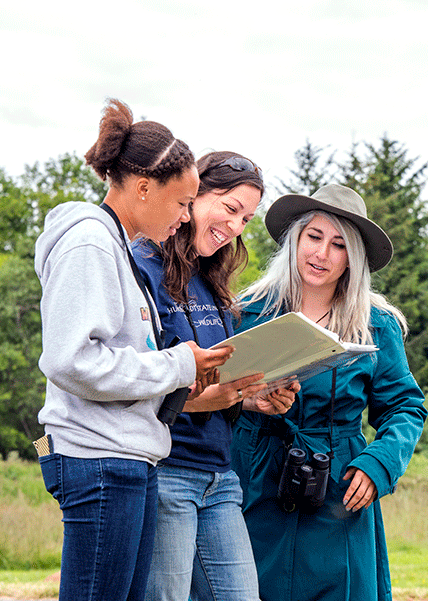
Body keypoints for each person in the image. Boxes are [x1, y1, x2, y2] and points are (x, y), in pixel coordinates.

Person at [33, 99, 232, 601]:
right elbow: (71, 360)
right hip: (99, 459)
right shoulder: (90, 244)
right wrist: (180, 362)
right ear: (144, 187)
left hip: (130, 458)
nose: (187, 215)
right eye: (184, 202)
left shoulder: (117, 248)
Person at [231, 184, 428, 601]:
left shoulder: (377, 324)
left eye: (338, 245)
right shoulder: (245, 311)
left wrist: (379, 464)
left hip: (338, 483)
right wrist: (250, 403)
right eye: (314, 237)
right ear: (295, 241)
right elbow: (210, 395)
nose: (322, 254)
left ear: (352, 258)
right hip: (254, 478)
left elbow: (405, 407)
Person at [133, 151, 301, 601]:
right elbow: (127, 380)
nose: (235, 227)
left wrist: (250, 398)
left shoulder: (210, 280)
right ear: (193, 195)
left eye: (245, 219)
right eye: (230, 209)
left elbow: (216, 377)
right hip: (167, 470)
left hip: (220, 477)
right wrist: (197, 400)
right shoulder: (140, 265)